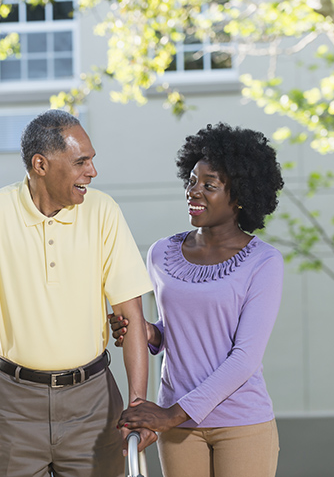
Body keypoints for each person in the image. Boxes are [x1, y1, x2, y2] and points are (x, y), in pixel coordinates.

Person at [0, 109, 156, 477]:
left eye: (92, 160)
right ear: (41, 164)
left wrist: (137, 403)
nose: (92, 171)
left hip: (92, 402)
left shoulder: (103, 212)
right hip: (11, 404)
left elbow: (131, 312)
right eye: (80, 162)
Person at [110, 122, 285, 477]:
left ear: (239, 196)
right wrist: (147, 332)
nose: (194, 191)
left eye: (210, 185)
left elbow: (244, 359)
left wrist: (169, 414)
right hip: (178, 430)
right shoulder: (162, 253)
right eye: (192, 180)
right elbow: (177, 328)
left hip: (240, 422)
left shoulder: (263, 262)